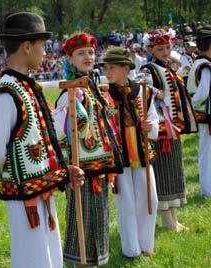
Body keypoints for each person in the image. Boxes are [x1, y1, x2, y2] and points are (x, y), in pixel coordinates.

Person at [0, 12, 84, 268]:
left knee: (50, 253)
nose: (45, 52)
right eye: (42, 46)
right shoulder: (7, 93)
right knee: (32, 256)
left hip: (43, 189)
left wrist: (62, 171)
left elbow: (42, 136)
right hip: (23, 195)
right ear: (27, 46)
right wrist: (5, 174)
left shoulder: (27, 87)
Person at [53, 33, 123, 267]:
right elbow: (59, 130)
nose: (88, 56)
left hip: (99, 167)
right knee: (82, 221)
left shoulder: (92, 87)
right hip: (82, 169)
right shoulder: (70, 91)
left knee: (99, 219)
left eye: (91, 52)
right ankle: (80, 262)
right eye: (81, 53)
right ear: (70, 59)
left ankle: (92, 262)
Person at [101, 47, 159, 257]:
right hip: (119, 156)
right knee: (126, 203)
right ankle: (131, 249)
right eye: (106, 68)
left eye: (112, 68)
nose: (107, 72)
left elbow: (154, 119)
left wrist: (149, 126)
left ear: (126, 69)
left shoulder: (144, 91)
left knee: (149, 198)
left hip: (142, 153)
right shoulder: (104, 94)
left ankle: (146, 245)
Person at [140, 29, 198, 231]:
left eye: (167, 47)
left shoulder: (168, 67)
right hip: (162, 130)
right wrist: (157, 92)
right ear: (151, 49)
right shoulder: (149, 69)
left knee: (174, 171)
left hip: (173, 127)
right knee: (164, 171)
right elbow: (141, 86)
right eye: (160, 48)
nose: (165, 52)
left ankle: (173, 217)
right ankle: (166, 220)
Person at [187, 25, 211, 196]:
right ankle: (207, 190)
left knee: (207, 154)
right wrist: (190, 105)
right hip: (207, 116)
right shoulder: (205, 66)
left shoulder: (199, 63)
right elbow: (202, 93)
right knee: (206, 155)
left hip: (205, 115)